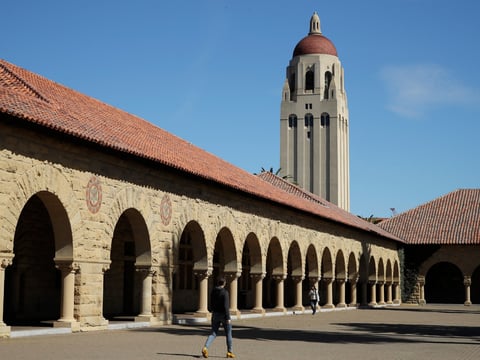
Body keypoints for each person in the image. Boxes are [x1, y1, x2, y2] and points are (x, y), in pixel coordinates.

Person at [202, 277, 235, 358]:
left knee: (213, 333)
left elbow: (211, 302)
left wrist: (212, 310)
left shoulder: (213, 291)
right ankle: (229, 352)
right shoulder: (225, 292)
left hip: (215, 314)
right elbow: (226, 306)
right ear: (224, 283)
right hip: (224, 315)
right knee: (228, 333)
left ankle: (205, 347)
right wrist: (228, 318)